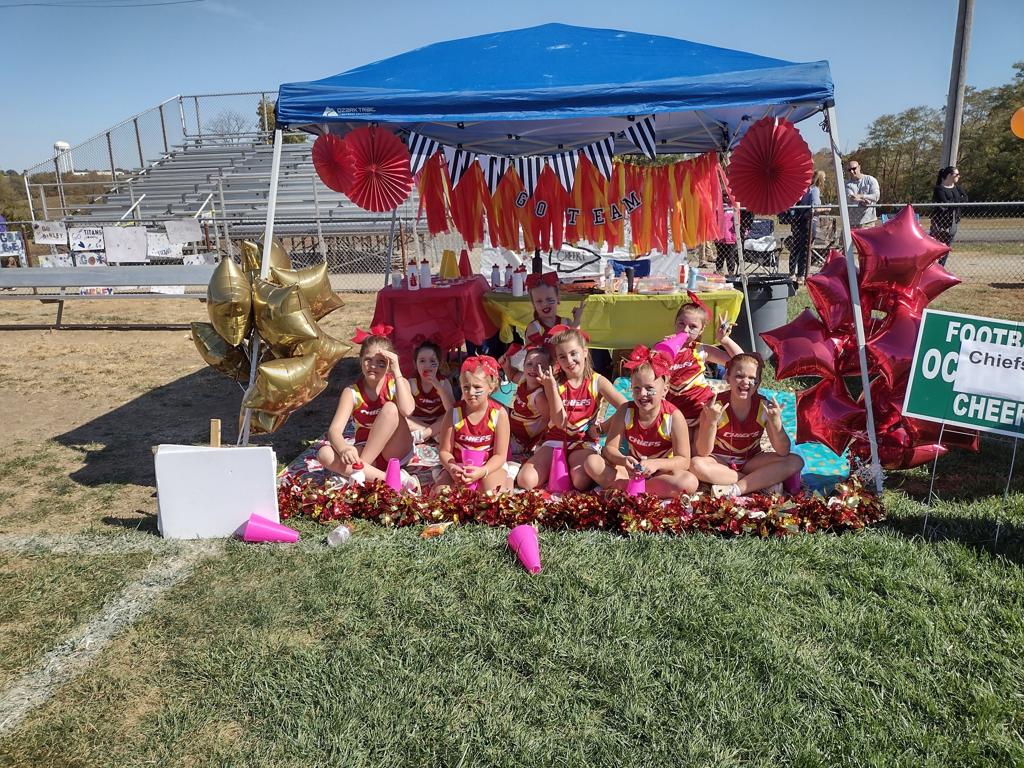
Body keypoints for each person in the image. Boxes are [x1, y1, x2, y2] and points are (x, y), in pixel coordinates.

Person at [516, 326, 626, 491]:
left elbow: (626, 407)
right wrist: (551, 387)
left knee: (580, 481)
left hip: (583, 442)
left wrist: (603, 428)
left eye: (573, 353)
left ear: (584, 352)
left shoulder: (597, 381)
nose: (569, 361)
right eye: (562, 356)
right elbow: (559, 422)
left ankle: (613, 470)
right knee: (526, 480)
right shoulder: (553, 381)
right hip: (554, 440)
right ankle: (557, 467)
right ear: (557, 361)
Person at [583, 345, 699, 498]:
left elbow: (684, 461)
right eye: (636, 389)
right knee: (591, 462)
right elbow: (609, 449)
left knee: (689, 481)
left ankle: (628, 489)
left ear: (665, 389)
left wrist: (656, 464)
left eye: (649, 388)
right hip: (631, 472)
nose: (642, 394)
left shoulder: (674, 417)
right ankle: (635, 488)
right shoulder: (625, 410)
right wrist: (624, 460)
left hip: (661, 475)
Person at [690, 354, 804, 497]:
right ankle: (760, 482)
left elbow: (783, 451)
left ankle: (737, 488)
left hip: (751, 460)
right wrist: (711, 422)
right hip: (719, 461)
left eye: (752, 378)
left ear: (758, 382)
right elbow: (702, 452)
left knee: (795, 461)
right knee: (696, 464)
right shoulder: (715, 405)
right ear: (727, 377)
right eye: (739, 376)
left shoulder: (764, 406)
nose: (746, 382)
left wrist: (776, 423)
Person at [317, 326, 417, 488]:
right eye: (368, 360)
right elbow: (334, 430)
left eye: (381, 362)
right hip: (366, 446)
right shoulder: (351, 392)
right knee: (324, 453)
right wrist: (344, 450)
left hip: (395, 449)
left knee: (391, 408)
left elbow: (407, 410)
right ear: (360, 359)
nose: (373, 366)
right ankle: (390, 480)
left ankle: (358, 470)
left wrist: (397, 371)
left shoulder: (396, 383)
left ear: (389, 364)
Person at [664, 295, 743, 435]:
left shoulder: (700, 350)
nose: (685, 330)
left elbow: (742, 362)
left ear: (701, 330)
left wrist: (724, 340)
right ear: (675, 323)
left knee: (697, 450)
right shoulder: (665, 349)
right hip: (676, 415)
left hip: (702, 412)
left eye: (693, 326)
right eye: (681, 323)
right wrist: (660, 350)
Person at [434, 356, 512, 493]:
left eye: (477, 387)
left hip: (489, 466)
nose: (470, 393)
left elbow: (500, 455)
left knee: (491, 496)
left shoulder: (499, 414)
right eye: (466, 387)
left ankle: (508, 480)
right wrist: (452, 467)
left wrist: (483, 471)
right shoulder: (453, 412)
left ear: (491, 387)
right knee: (441, 495)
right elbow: (444, 451)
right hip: (458, 466)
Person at [406, 339, 454, 445]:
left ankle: (423, 436)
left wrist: (438, 386)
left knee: (451, 417)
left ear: (439, 364)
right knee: (403, 420)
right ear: (415, 364)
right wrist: (431, 430)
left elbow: (451, 409)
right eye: (422, 361)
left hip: (438, 421)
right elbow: (406, 411)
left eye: (432, 361)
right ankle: (433, 434)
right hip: (417, 422)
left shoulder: (443, 382)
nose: (427, 365)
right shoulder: (412, 383)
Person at [508, 346, 551, 456]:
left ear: (548, 370)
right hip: (512, 428)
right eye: (529, 364)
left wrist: (540, 442)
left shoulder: (539, 396)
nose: (533, 369)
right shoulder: (523, 379)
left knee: (495, 444)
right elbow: (512, 375)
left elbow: (548, 420)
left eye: (540, 366)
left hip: (521, 440)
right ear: (523, 366)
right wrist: (506, 365)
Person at [789, 170, 827, 283]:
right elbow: (814, 208)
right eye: (824, 178)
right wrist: (826, 209)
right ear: (820, 179)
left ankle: (791, 273)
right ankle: (801, 275)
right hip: (808, 223)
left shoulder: (803, 190)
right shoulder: (814, 190)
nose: (825, 180)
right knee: (804, 249)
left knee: (795, 248)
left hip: (797, 222)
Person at [930, 166, 968, 267]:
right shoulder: (939, 189)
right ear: (949, 175)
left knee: (947, 247)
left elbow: (966, 199)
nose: (959, 176)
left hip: (953, 222)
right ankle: (932, 267)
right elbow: (945, 203)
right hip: (939, 222)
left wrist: (954, 202)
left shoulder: (958, 188)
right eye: (957, 174)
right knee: (936, 246)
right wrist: (957, 201)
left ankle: (941, 268)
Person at [845, 160, 880, 229]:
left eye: (854, 168)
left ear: (859, 167)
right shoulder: (847, 184)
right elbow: (851, 197)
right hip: (852, 223)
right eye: (849, 170)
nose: (852, 171)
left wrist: (862, 196)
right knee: (843, 240)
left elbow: (876, 196)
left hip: (868, 221)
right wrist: (865, 200)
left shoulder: (870, 180)